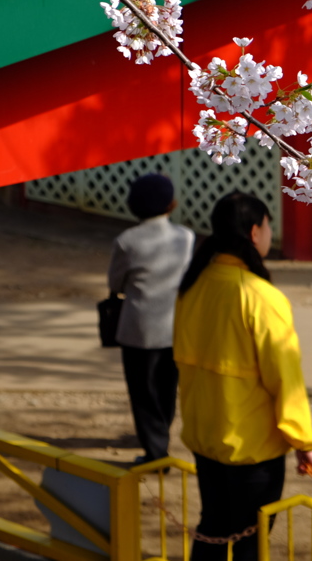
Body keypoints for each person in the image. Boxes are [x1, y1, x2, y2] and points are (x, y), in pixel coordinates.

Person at [174, 192, 312, 561]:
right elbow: (285, 378)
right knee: (248, 540)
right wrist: (303, 440)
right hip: (251, 447)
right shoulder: (261, 297)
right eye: (269, 226)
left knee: (213, 527)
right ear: (256, 232)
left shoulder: (195, 283)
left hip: (205, 436)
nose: (270, 234)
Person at [108, 173, 194, 466]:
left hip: (138, 328)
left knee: (142, 390)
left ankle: (155, 450)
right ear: (172, 204)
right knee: (167, 386)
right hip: (174, 326)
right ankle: (160, 432)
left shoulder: (126, 240)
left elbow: (116, 284)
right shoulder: (186, 237)